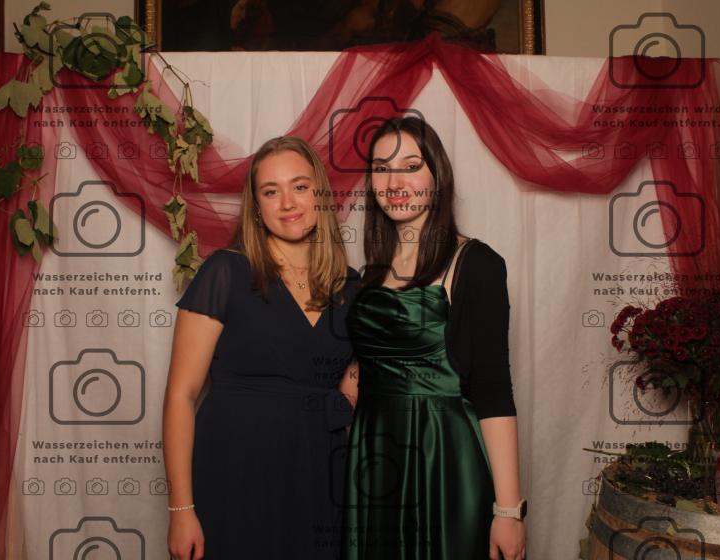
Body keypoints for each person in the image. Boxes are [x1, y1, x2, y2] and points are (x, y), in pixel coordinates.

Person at [163, 136, 360, 559]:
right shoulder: (226, 272)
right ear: (256, 206)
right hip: (235, 470)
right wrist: (181, 510)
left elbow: (352, 391)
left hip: (319, 472)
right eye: (271, 192)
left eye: (300, 187)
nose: (288, 203)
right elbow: (181, 395)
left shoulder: (351, 286)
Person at [340, 117, 526, 559]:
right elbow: (365, 366)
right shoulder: (371, 272)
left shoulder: (476, 263)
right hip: (374, 458)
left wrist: (508, 511)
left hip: (442, 457)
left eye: (410, 166)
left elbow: (494, 389)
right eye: (382, 168)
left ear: (437, 176)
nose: (394, 182)